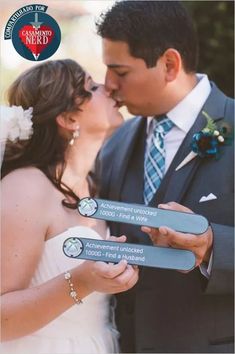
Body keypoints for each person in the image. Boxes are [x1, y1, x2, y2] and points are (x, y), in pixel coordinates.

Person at [95, 1, 234, 353]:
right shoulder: (114, 145)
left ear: (170, 64)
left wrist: (211, 245)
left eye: (120, 72)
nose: (108, 85)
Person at [0, 59, 139, 354]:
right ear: (68, 118)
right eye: (91, 87)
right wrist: (82, 281)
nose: (109, 88)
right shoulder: (25, 188)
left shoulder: (96, 185)